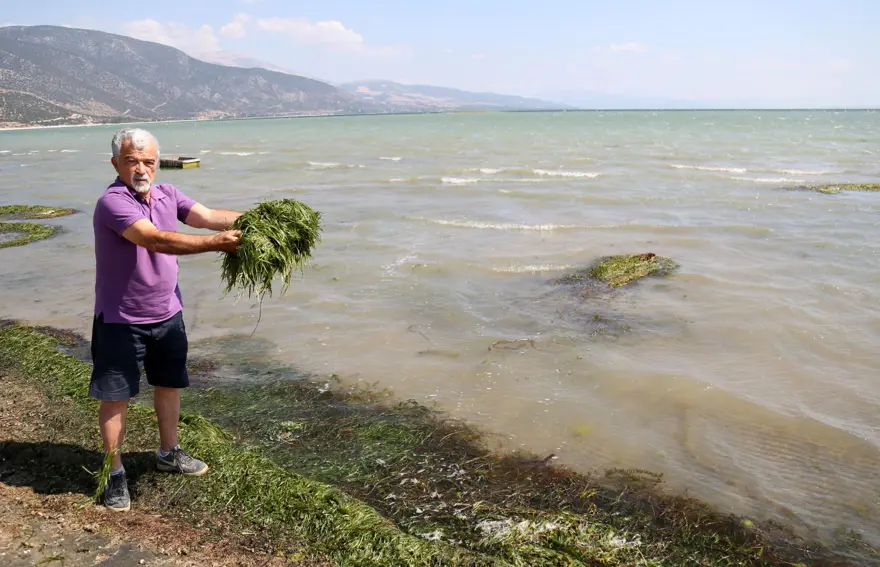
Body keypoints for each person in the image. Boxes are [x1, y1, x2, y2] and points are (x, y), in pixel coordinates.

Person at [91, 127, 242, 512]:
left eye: (148, 161)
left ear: (158, 163)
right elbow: (155, 239)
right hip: (121, 319)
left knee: (169, 385)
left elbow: (208, 217)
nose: (141, 168)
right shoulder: (112, 202)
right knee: (116, 397)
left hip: (168, 312)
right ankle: (114, 472)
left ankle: (169, 451)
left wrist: (260, 219)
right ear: (116, 164)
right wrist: (217, 244)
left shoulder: (167, 193)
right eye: (132, 161)